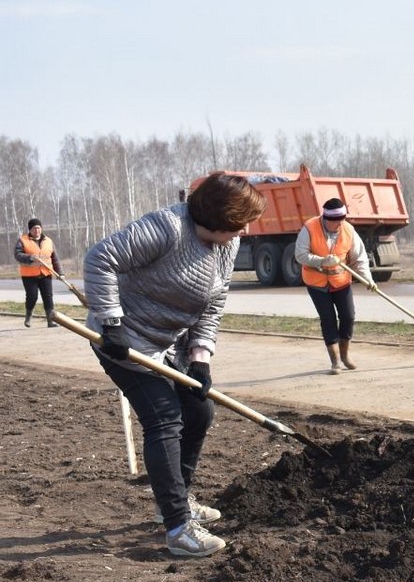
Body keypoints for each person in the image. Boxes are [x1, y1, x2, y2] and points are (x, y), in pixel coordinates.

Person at [85, 173, 267, 557]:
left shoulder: (225, 244)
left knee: (200, 411)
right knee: (164, 418)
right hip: (125, 344)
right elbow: (101, 258)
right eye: (238, 223)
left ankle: (179, 497)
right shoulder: (166, 228)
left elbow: (213, 303)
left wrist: (201, 357)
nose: (244, 230)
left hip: (172, 345)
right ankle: (178, 527)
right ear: (217, 218)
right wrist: (111, 321)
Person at [295, 197, 373, 374]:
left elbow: (359, 258)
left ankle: (345, 355)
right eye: (337, 222)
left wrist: (368, 279)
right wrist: (321, 260)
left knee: (348, 316)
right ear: (326, 220)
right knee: (328, 319)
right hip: (316, 283)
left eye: (342, 221)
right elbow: (300, 255)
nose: (340, 225)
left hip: (341, 281)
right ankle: (335, 361)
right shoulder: (309, 228)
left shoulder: (348, 230)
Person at [15, 218, 64, 328]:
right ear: (30, 230)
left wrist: (60, 273)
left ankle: (51, 320)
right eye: (34, 228)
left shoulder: (48, 241)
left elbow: (55, 259)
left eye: (38, 228)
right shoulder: (23, 240)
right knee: (32, 297)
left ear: (41, 229)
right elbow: (18, 255)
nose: (37, 230)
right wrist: (30, 257)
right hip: (29, 275)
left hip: (46, 274)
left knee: (48, 297)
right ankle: (28, 317)